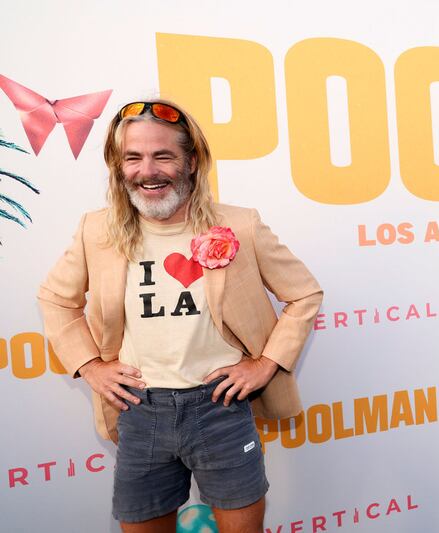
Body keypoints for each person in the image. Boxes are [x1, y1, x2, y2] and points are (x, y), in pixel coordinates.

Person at [38, 100, 322, 533]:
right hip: (139, 409)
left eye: (163, 155)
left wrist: (265, 364)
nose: (147, 170)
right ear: (118, 166)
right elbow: (56, 300)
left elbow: (304, 294)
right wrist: (90, 366)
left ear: (192, 161)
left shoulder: (240, 225)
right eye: (133, 157)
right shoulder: (96, 230)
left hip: (220, 408)